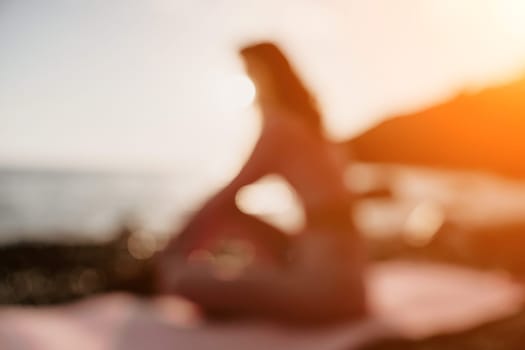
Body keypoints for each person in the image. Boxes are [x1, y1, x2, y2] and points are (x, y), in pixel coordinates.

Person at [155, 42, 367, 324]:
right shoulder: (311, 127)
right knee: (230, 219)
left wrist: (174, 246)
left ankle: (188, 264)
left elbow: (229, 193)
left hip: (326, 290)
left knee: (180, 281)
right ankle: (238, 278)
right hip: (343, 276)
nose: (250, 80)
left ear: (270, 74)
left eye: (252, 71)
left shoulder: (280, 127)